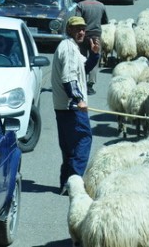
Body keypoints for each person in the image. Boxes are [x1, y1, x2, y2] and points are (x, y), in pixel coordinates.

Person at [51, 16, 100, 194]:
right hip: (71, 107)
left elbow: (82, 69)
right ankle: (75, 180)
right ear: (69, 30)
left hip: (62, 106)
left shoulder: (69, 47)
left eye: (83, 29)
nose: (81, 32)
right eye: (76, 28)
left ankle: (66, 183)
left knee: (69, 146)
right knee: (84, 138)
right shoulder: (70, 49)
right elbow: (69, 78)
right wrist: (78, 99)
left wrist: (94, 55)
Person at [76, 0, 108, 95]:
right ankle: (90, 84)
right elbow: (105, 21)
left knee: (82, 58)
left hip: (83, 35)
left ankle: (82, 81)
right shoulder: (101, 5)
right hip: (96, 36)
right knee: (95, 59)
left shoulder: (80, 5)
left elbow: (77, 20)